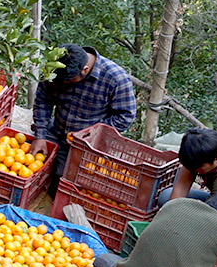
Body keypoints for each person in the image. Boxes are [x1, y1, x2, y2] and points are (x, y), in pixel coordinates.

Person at [31, 43, 138, 193]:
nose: (64, 84)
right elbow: (43, 99)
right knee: (33, 166)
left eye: (68, 80)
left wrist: (90, 134)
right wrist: (40, 134)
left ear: (85, 70)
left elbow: (125, 117)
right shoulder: (56, 67)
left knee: (63, 184)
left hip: (86, 145)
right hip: (56, 131)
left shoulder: (115, 79)